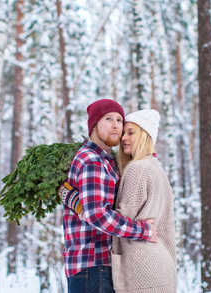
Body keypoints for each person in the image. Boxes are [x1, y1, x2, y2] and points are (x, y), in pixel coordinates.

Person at [61, 99, 158, 293]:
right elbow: (97, 215)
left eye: (119, 120)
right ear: (94, 125)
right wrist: (143, 231)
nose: (116, 125)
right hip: (93, 266)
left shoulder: (105, 161)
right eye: (108, 119)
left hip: (97, 268)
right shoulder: (92, 160)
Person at [112, 109, 177, 293]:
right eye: (124, 132)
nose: (123, 137)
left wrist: (82, 206)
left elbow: (118, 223)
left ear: (145, 136)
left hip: (141, 271)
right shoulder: (157, 169)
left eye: (131, 132)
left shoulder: (137, 169)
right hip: (162, 266)